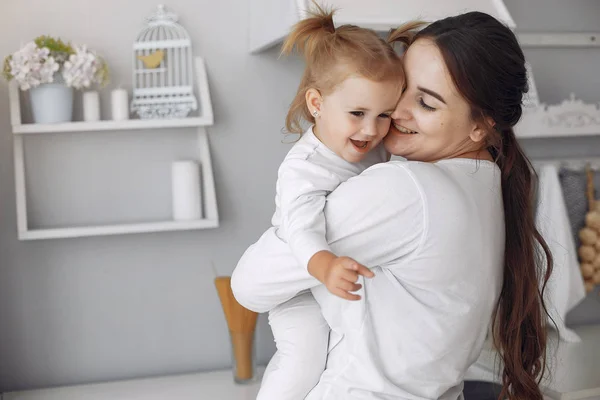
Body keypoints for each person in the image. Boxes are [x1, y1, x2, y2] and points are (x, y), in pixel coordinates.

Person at [232, 11, 553, 400]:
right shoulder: (486, 189)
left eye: (427, 103)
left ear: (480, 125)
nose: (395, 113)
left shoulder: (406, 189)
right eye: (402, 88)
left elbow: (249, 285)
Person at [232, 5, 405, 399]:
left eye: (384, 115)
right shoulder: (304, 166)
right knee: (303, 359)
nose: (371, 129)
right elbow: (299, 225)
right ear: (317, 104)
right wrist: (322, 264)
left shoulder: (375, 150)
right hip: (298, 289)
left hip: (334, 280)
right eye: (358, 113)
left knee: (343, 358)